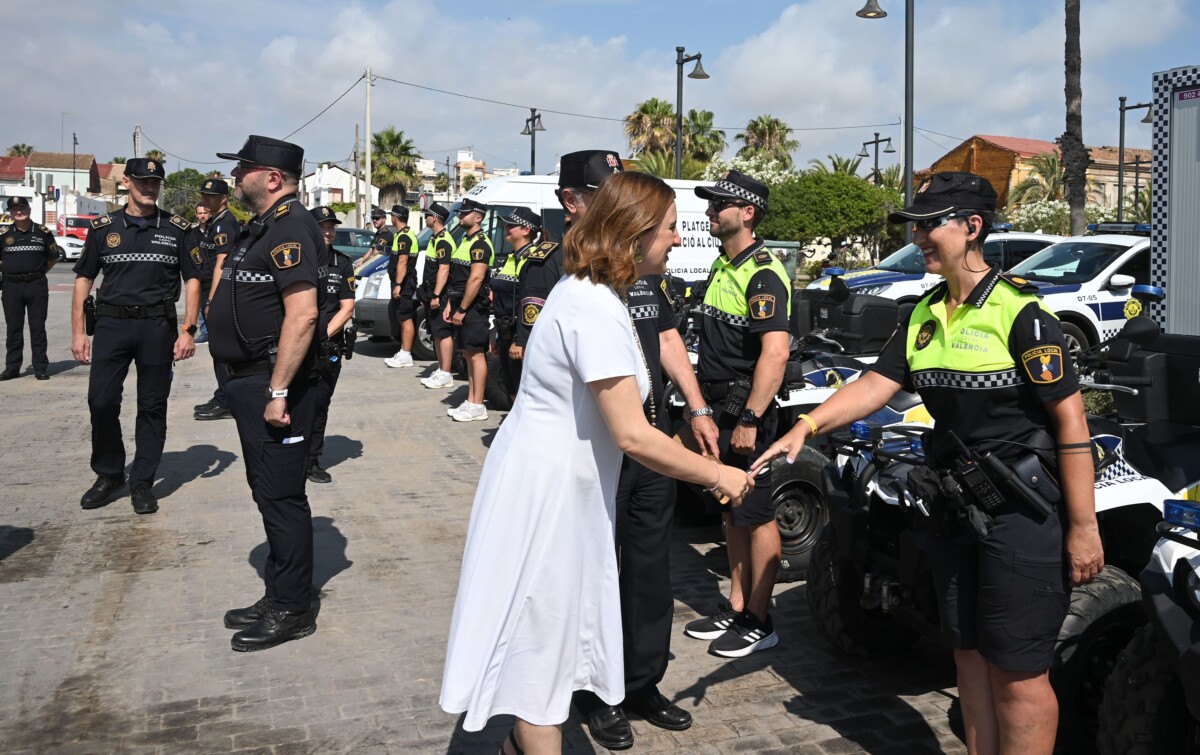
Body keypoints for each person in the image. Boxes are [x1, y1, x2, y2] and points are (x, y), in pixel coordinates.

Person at [752, 172, 1103, 754]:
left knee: (1017, 673)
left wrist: (1084, 527)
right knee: (968, 657)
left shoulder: (1022, 314)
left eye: (928, 225)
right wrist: (805, 426)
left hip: (1020, 516)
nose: (918, 237)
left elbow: (1072, 424)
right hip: (954, 510)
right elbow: (875, 385)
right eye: (914, 226)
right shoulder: (923, 313)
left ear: (972, 227)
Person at [440, 170, 753, 755]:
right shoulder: (594, 306)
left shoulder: (590, 292)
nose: (678, 239)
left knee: (546, 645)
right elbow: (633, 434)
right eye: (670, 228)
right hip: (551, 496)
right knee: (541, 661)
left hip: (560, 485)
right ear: (635, 233)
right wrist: (720, 476)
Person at [558, 150, 720, 749]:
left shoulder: (644, 270)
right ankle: (594, 692)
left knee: (650, 570)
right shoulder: (567, 273)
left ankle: (641, 682)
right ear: (575, 201)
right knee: (596, 573)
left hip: (654, 440)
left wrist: (697, 406)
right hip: (602, 446)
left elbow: (668, 335)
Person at [208, 135, 324, 652]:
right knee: (266, 491)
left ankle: (292, 609)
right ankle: (279, 593)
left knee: (281, 496)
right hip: (249, 381)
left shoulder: (291, 226)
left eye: (243, 169)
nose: (235, 177)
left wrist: (278, 390)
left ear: (273, 178)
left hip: (273, 386)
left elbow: (303, 314)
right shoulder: (264, 225)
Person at [683, 170, 790, 658]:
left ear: (747, 213)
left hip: (747, 414)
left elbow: (776, 353)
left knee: (757, 514)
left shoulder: (762, 272)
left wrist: (750, 419)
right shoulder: (722, 265)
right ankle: (738, 605)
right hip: (721, 410)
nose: (710, 210)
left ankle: (760, 621)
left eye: (719, 204)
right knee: (732, 512)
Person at [71, 157, 202, 514]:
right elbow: (83, 279)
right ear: (127, 182)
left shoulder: (177, 229)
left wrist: (188, 330)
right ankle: (109, 473)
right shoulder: (104, 228)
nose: (149, 188)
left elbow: (193, 280)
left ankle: (142, 482)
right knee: (101, 402)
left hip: (157, 328)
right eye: (143, 181)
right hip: (111, 326)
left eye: (155, 183)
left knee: (152, 405)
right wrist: (79, 332)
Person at [307, 206, 357, 484]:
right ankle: (290, 457)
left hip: (327, 346)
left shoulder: (342, 262)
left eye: (331, 227)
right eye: (322, 227)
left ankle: (311, 460)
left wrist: (322, 336)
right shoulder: (299, 259)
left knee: (319, 403)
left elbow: (347, 307)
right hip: (296, 343)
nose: (328, 232)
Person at [193, 178, 242, 420]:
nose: (205, 200)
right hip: (209, 291)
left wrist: (212, 300)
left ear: (224, 199)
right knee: (217, 350)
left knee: (222, 350)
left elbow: (221, 264)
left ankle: (228, 400)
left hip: (219, 293)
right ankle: (223, 395)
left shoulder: (225, 225)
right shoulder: (214, 223)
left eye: (210, 197)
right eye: (204, 195)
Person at [1, 196, 59, 381]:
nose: (19, 212)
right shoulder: (3, 234)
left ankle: (40, 367)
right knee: (13, 329)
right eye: (14, 209)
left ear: (29, 209)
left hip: (36, 285)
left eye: (22, 208)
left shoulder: (42, 233)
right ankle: (12, 368)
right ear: (10, 213)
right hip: (11, 286)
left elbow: (52, 258)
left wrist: (38, 273)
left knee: (38, 328)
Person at [446, 198, 493, 422]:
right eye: (460, 213)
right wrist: (451, 304)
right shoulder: (465, 240)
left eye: (465, 213)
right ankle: (471, 399)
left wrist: (463, 308)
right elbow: (457, 278)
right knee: (466, 352)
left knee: (475, 353)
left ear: (478, 217)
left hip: (473, 307)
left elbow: (476, 279)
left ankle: (477, 404)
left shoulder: (481, 244)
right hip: (460, 303)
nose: (460, 216)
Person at [490, 207, 543, 403]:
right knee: (511, 386)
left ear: (526, 230)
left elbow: (530, 304)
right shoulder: (513, 257)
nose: (506, 228)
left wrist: (520, 340)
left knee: (523, 389)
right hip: (505, 332)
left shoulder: (532, 259)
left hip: (518, 335)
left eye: (511, 225)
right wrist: (497, 335)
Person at [419, 203, 457, 389]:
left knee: (442, 332)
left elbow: (444, 269)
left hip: (440, 294)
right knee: (436, 332)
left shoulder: (443, 240)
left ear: (434, 218)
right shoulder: (435, 239)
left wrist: (436, 295)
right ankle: (441, 368)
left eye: (427, 215)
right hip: (431, 293)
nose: (425, 218)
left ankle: (446, 373)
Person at [383, 205, 419, 369]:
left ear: (395, 217)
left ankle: (406, 354)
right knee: (401, 316)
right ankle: (403, 351)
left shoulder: (404, 236)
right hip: (403, 282)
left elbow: (403, 262)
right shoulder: (403, 234)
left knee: (405, 317)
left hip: (404, 283)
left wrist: (398, 284)